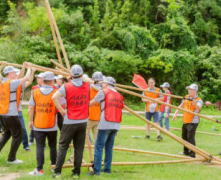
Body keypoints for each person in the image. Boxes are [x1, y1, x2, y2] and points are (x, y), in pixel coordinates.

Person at [52, 65, 90, 179]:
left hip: (69, 120)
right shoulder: (88, 85)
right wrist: (87, 79)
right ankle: (76, 173)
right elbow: (99, 87)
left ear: (71, 75)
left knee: (63, 146)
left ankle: (57, 172)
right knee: (79, 147)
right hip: (83, 121)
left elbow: (54, 97)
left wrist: (62, 110)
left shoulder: (66, 86)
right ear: (82, 75)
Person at [88, 77, 124, 175]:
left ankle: (97, 171)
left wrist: (80, 105)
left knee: (99, 147)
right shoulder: (119, 95)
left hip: (105, 122)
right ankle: (107, 169)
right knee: (109, 147)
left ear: (107, 84)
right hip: (116, 124)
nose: (101, 85)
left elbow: (92, 103)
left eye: (103, 83)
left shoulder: (103, 92)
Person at [0, 63, 31, 164]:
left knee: (7, 134)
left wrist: (1, 67)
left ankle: (11, 158)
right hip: (11, 114)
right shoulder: (11, 83)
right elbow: (26, 78)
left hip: (3, 114)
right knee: (18, 135)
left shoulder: (3, 82)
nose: (15, 74)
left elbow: (20, 77)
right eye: (13, 72)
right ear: (9, 73)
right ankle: (11, 158)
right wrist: (29, 68)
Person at [28, 72, 58, 176]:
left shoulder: (35, 92)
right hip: (52, 125)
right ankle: (54, 167)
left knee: (40, 146)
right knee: (53, 146)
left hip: (38, 124)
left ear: (43, 80)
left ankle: (39, 170)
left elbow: (31, 107)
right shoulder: (56, 92)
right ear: (52, 81)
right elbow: (61, 106)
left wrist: (31, 121)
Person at [173, 84, 203, 158]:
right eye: (189, 89)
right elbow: (181, 106)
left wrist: (195, 104)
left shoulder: (199, 100)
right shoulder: (186, 97)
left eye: (191, 89)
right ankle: (185, 151)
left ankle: (192, 153)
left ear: (195, 90)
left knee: (190, 137)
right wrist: (175, 113)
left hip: (193, 121)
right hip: (185, 120)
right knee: (184, 136)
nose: (189, 91)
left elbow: (199, 107)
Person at [15, 66, 36, 151]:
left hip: (18, 111)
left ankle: (26, 146)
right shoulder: (11, 83)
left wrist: (33, 72)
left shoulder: (21, 85)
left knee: (22, 129)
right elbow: (20, 77)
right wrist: (27, 68)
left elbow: (30, 81)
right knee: (7, 132)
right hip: (7, 111)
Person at [87, 72, 103, 143]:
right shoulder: (104, 91)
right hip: (98, 119)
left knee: (81, 137)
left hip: (89, 117)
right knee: (97, 140)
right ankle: (97, 153)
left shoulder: (89, 88)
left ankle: (75, 154)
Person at [28, 72, 44, 146]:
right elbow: (31, 99)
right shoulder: (34, 87)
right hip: (35, 109)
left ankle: (42, 142)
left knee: (42, 126)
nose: (37, 79)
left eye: (39, 78)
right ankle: (31, 139)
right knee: (33, 124)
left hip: (43, 110)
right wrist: (29, 108)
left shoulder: (48, 87)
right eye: (37, 78)